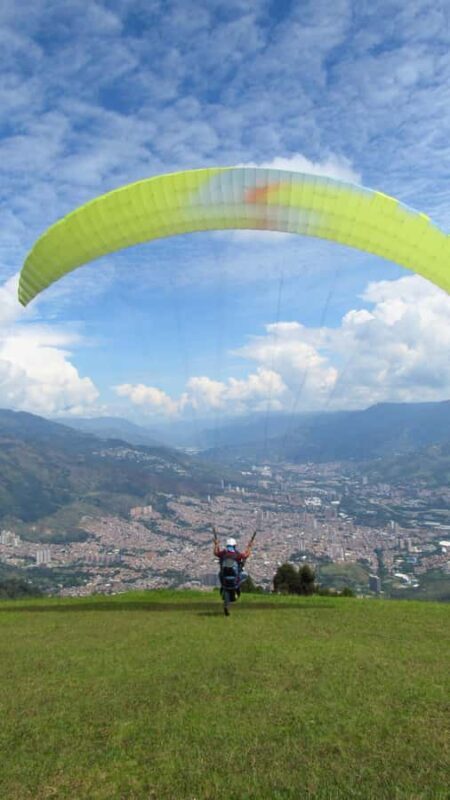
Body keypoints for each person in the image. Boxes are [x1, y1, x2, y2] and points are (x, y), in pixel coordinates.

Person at [213, 529, 253, 615]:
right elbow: (246, 555)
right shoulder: (237, 554)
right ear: (234, 546)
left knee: (219, 574)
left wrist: (216, 544)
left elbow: (216, 553)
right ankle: (237, 587)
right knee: (245, 575)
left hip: (224, 577)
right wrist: (249, 546)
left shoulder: (223, 553)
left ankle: (223, 588)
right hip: (235, 578)